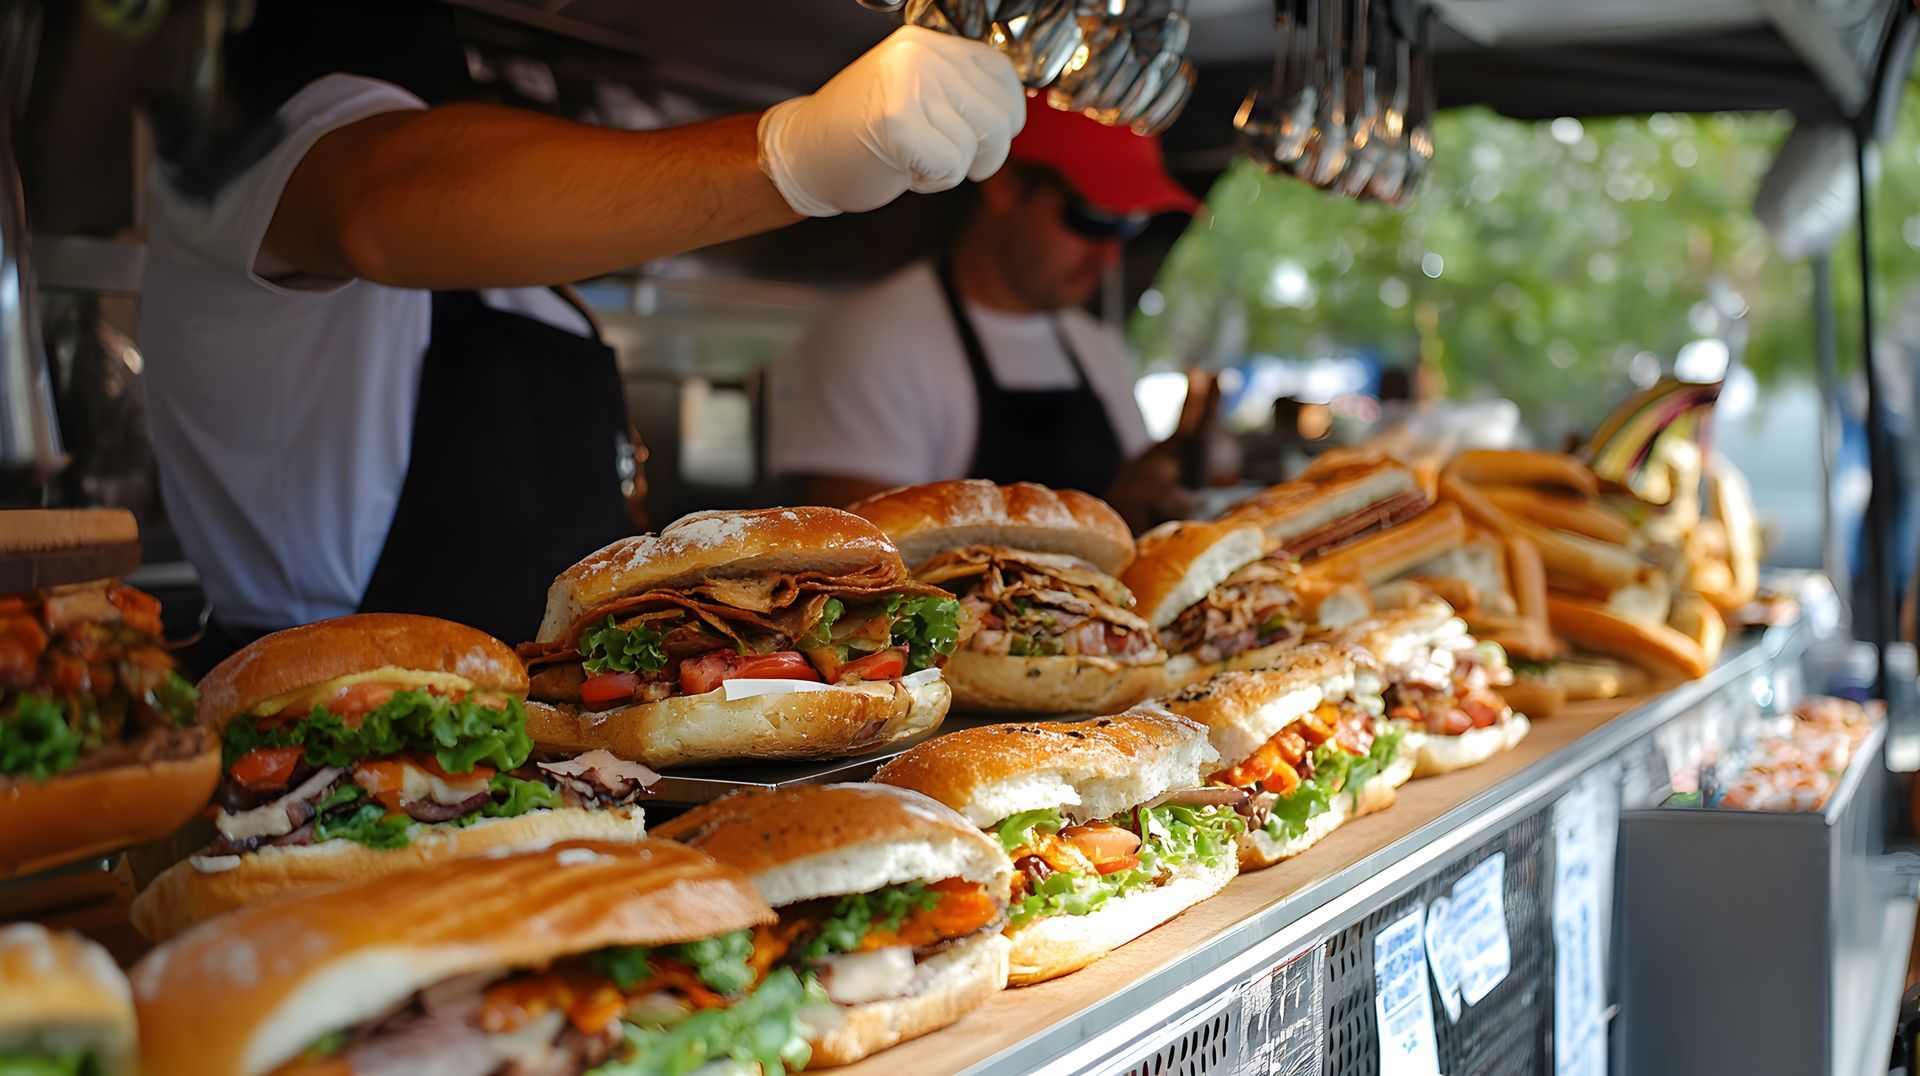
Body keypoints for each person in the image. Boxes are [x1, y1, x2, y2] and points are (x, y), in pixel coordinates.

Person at [137, 0, 1025, 656]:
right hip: (329, 730)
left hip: (553, 727)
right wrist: (787, 159)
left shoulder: (518, 279)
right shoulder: (240, 158)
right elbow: (385, 203)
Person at [767, 96, 1199, 529]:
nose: (1109, 257)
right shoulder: (874, 339)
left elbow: (1133, 498)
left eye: (1131, 225)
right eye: (1093, 219)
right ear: (1005, 185)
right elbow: (862, 558)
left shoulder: (1096, 345)